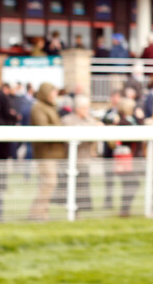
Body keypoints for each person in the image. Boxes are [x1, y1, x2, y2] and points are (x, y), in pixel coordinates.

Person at [28, 82, 66, 221]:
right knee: (49, 182)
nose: (55, 95)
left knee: (49, 183)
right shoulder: (38, 108)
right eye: (53, 92)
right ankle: (36, 213)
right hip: (45, 152)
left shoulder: (50, 107)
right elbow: (44, 128)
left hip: (53, 152)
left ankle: (42, 213)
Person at [61, 95, 102, 214]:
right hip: (71, 160)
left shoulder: (90, 119)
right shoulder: (67, 120)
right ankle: (71, 211)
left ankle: (81, 210)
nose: (87, 110)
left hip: (85, 159)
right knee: (71, 186)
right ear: (77, 108)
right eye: (84, 108)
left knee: (84, 186)